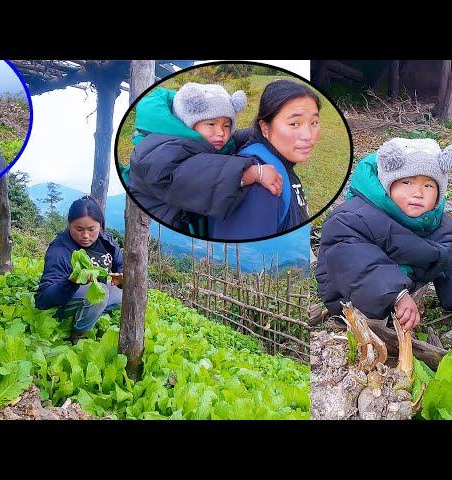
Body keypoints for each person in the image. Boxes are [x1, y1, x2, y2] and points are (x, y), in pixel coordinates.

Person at [315, 138, 452, 332]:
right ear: (388, 185)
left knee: (442, 250)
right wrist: (397, 295)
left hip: (396, 282)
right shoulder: (350, 218)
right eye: (406, 182)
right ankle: (378, 319)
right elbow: (358, 263)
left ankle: (397, 302)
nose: (418, 193)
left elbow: (449, 256)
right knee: (373, 324)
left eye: (428, 186)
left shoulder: (435, 221)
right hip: (349, 291)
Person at [128, 82, 283, 236]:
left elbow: (233, 141)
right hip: (164, 227)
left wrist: (265, 131)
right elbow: (188, 177)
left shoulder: (201, 140)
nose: (220, 132)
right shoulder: (158, 151)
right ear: (188, 124)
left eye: (227, 125)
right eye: (211, 124)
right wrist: (254, 174)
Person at [208, 79, 321, 239]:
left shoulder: (279, 164)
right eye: (294, 123)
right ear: (265, 127)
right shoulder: (259, 185)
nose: (308, 135)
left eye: (314, 122)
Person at [35, 195, 123, 343]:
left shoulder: (106, 240)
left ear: (100, 226)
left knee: (124, 294)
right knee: (100, 292)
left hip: (92, 295)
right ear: (69, 224)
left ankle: (87, 314)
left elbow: (121, 264)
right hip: (63, 301)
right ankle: (78, 335)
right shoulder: (60, 250)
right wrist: (72, 281)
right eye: (79, 229)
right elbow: (43, 300)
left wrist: (121, 277)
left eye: (92, 229)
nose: (86, 236)